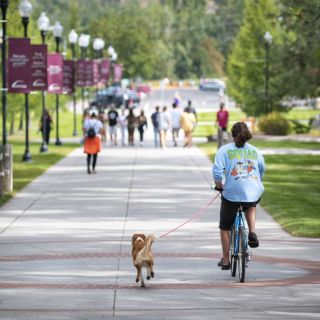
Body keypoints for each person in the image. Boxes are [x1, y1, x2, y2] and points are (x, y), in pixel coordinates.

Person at [212, 122, 265, 270]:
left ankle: (226, 261)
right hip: (252, 190)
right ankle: (252, 232)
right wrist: (256, 181)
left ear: (232, 135)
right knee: (251, 203)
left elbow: (217, 171)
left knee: (225, 227)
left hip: (232, 192)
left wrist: (219, 185)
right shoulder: (255, 151)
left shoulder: (224, 150)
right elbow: (261, 169)